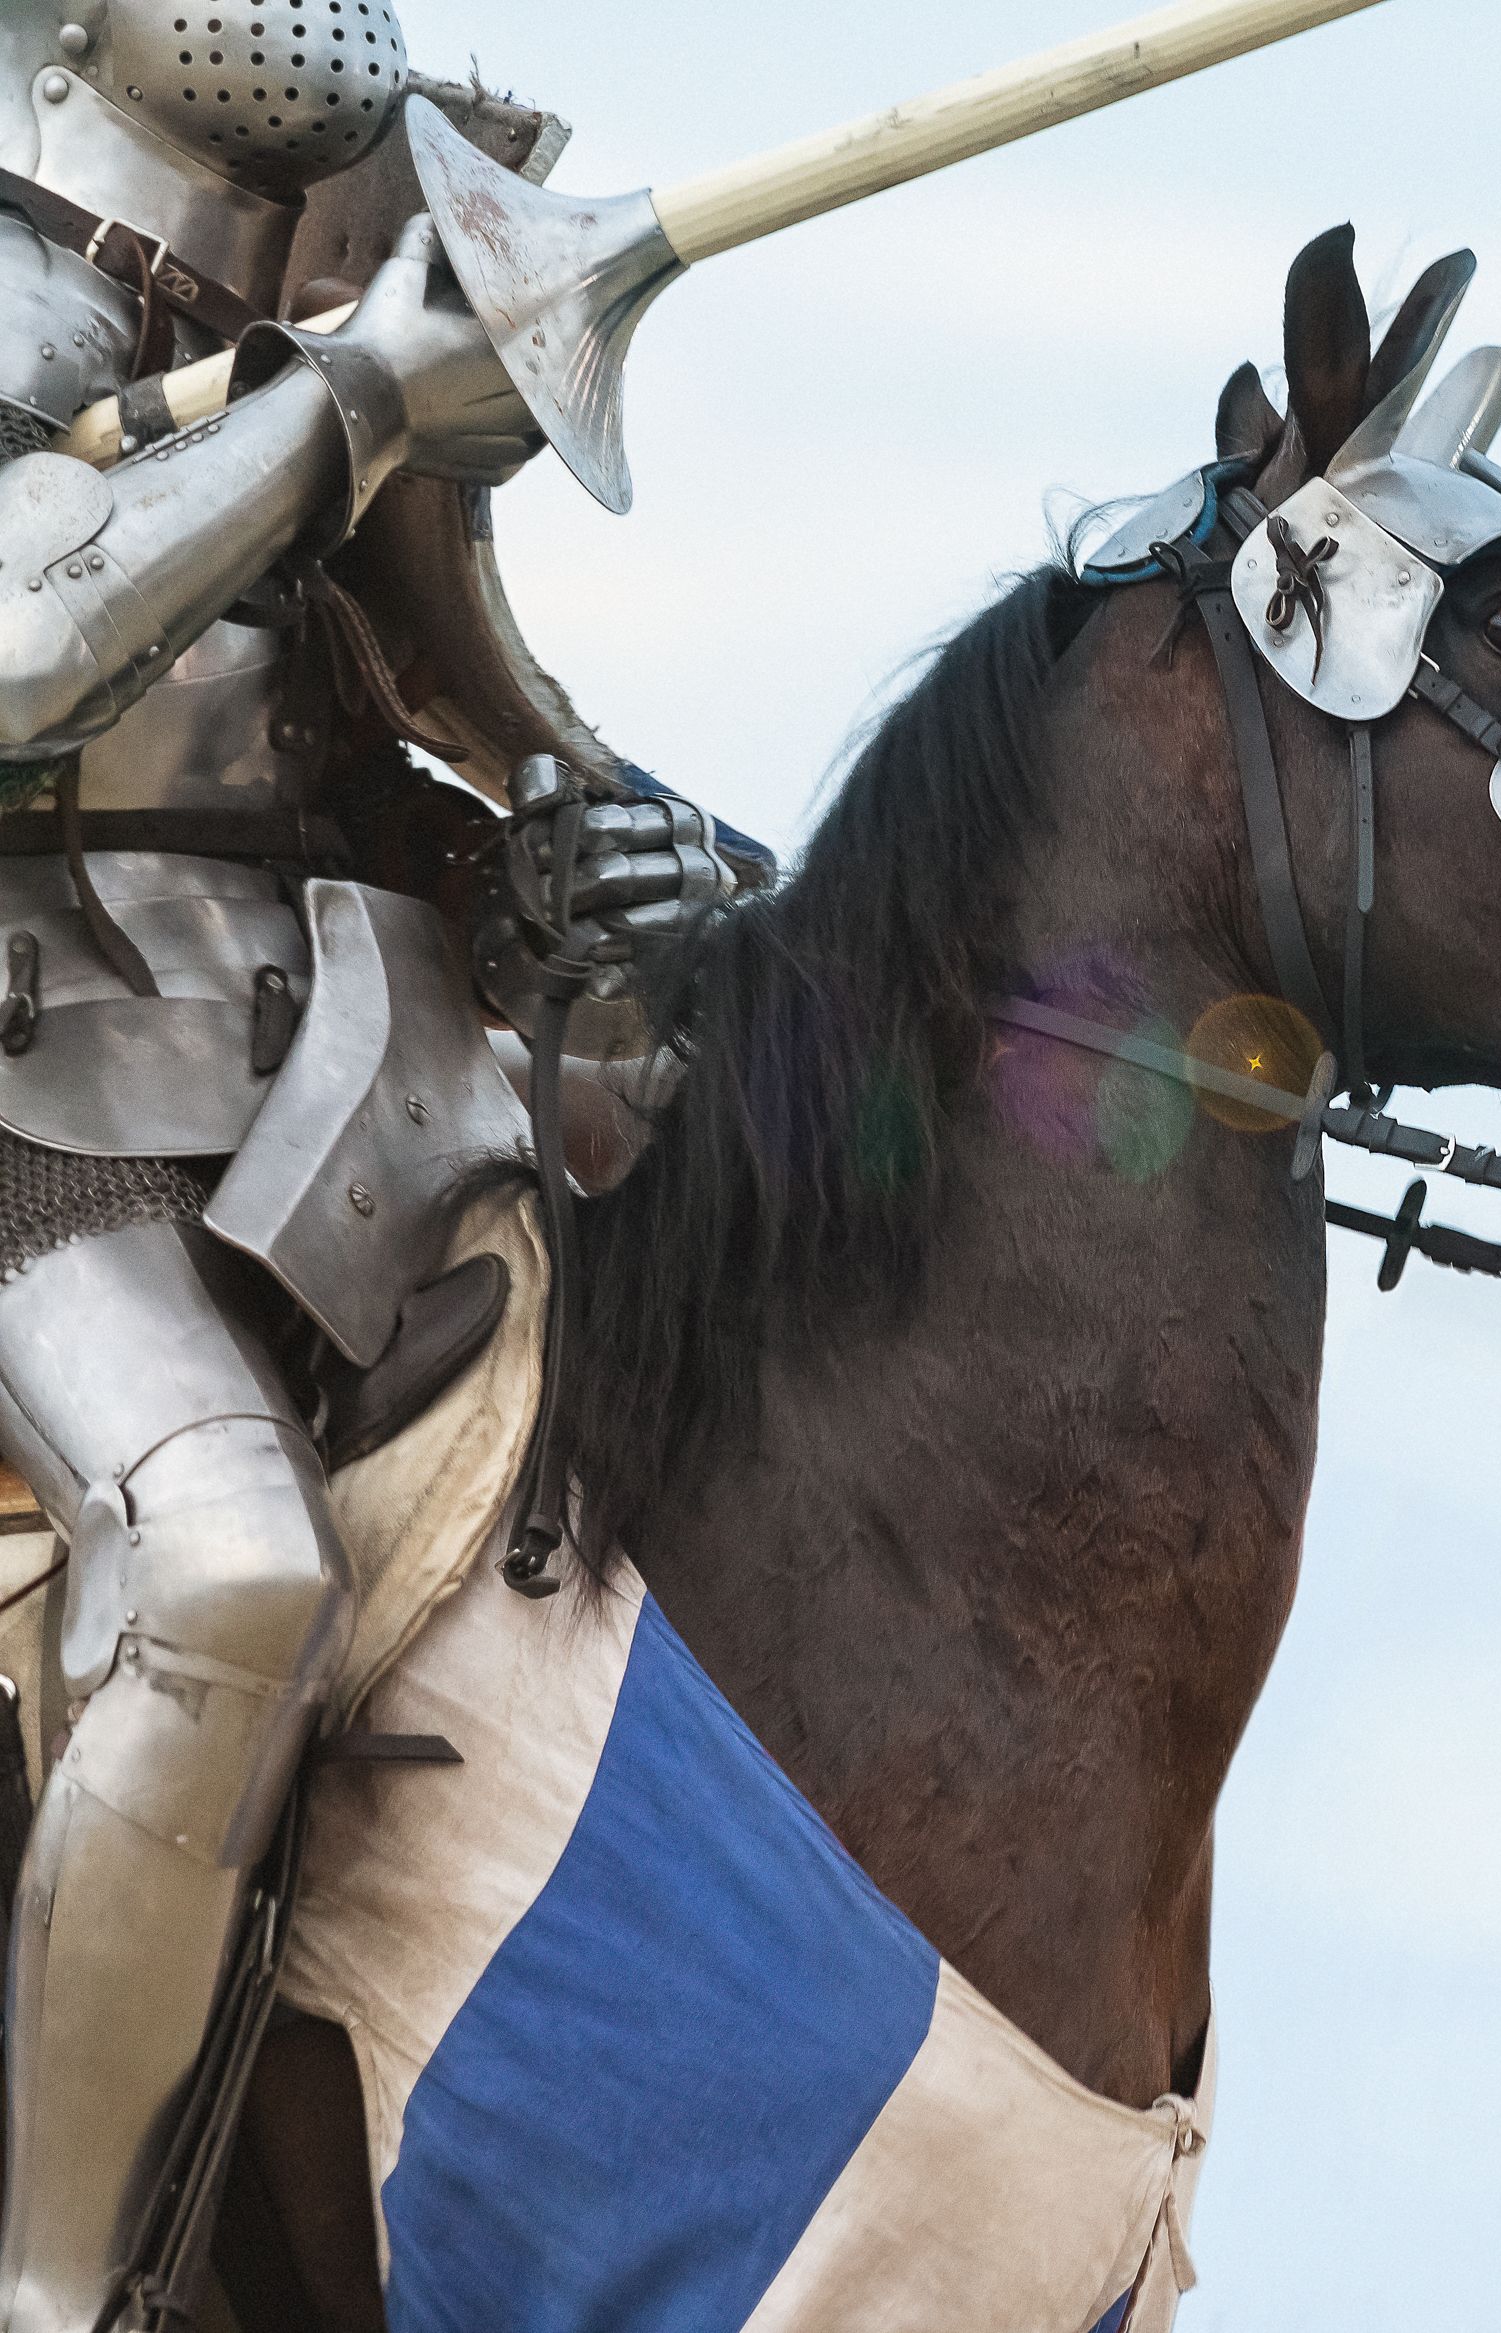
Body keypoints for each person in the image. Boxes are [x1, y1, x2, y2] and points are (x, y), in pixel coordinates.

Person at [0, 11, 722, 2323]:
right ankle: (54, 2292)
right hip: (27, 1088)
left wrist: (607, 875)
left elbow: (434, 709)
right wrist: (361, 390)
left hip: (337, 1080)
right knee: (219, 1572)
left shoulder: (336, 254)